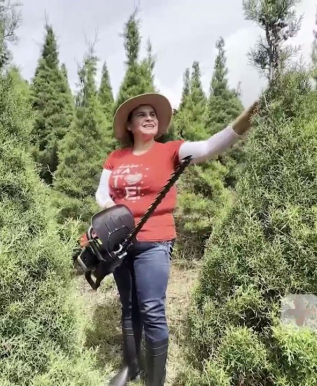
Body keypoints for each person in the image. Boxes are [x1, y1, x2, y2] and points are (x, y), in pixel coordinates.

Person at [95, 93, 259, 386]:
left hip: (154, 243)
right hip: (120, 241)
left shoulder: (171, 150)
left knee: (151, 309)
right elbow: (101, 192)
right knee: (128, 305)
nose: (149, 117)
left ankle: (155, 381)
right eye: (141, 114)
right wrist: (112, 210)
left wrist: (245, 120)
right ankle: (130, 367)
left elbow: (210, 146)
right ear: (130, 125)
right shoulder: (116, 157)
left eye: (153, 115)